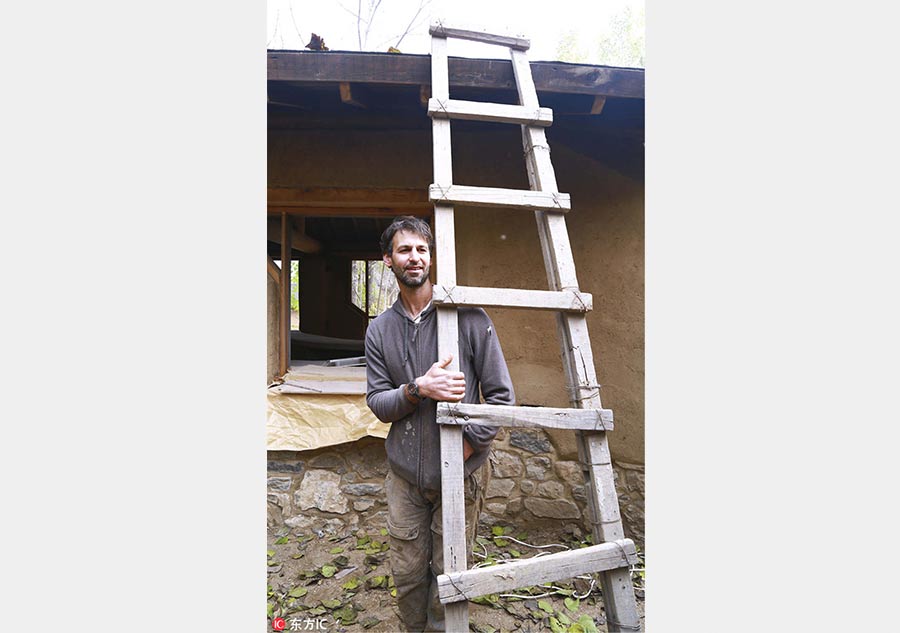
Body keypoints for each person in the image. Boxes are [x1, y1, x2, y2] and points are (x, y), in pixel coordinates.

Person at [365, 215, 515, 632]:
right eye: (404, 250)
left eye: (421, 249)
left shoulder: (467, 317)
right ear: (388, 261)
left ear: (431, 258)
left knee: (449, 575)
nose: (414, 258)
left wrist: (468, 447)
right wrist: (419, 388)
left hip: (460, 475)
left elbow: (502, 397)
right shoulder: (380, 330)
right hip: (404, 479)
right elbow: (379, 402)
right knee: (409, 573)